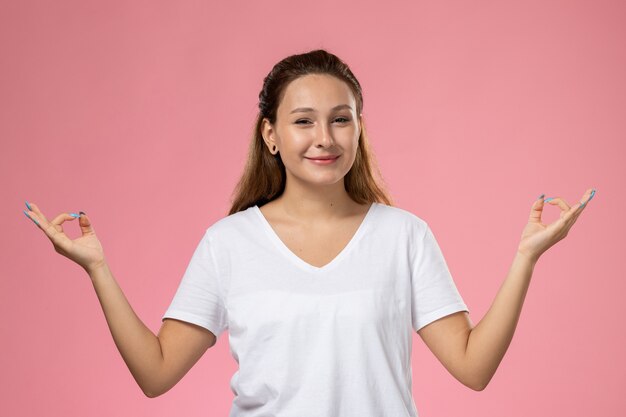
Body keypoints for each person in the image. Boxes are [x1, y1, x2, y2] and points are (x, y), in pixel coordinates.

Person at [23, 49, 595, 416]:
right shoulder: (229, 244)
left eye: (340, 118)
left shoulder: (405, 236)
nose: (324, 136)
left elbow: (473, 369)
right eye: (303, 121)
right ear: (271, 135)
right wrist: (98, 268)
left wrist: (526, 259)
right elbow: (155, 374)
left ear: (358, 129)